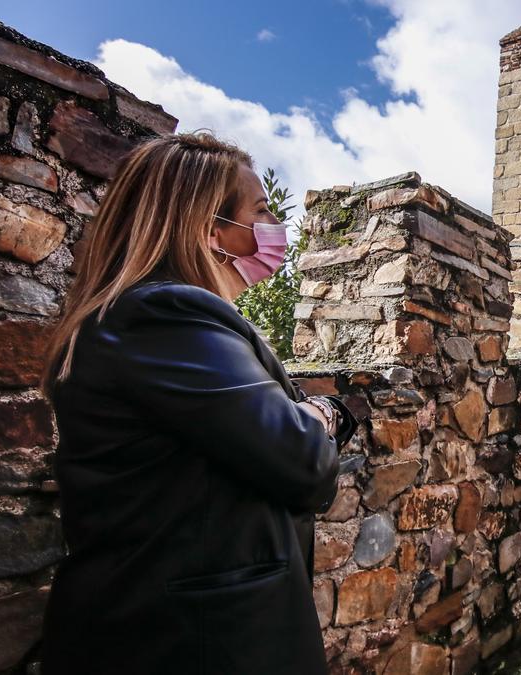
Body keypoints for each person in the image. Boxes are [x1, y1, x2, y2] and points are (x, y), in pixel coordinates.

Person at [39, 133, 357, 674]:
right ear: (211, 229)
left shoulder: (154, 318)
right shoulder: (165, 313)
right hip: (194, 643)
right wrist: (320, 413)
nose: (273, 229)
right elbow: (304, 463)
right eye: (259, 212)